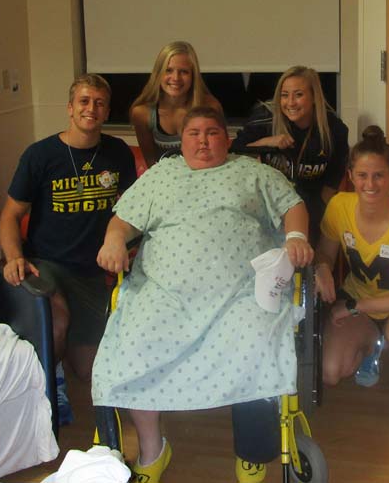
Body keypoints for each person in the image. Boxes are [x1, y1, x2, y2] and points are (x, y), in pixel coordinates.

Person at [93, 106, 312, 483]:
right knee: (134, 341)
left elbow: (293, 205)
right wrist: (114, 240)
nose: (203, 141)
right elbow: (122, 221)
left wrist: (295, 236)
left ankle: (253, 452)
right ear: (181, 142)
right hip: (164, 292)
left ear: (227, 139)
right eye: (194, 133)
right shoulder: (160, 176)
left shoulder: (254, 173)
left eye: (212, 132)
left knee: (257, 340)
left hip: (242, 292)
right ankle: (152, 450)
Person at [0, 74, 137, 408]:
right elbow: (10, 216)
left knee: (87, 371)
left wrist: (125, 245)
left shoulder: (117, 152)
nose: (92, 109)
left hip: (92, 272)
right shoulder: (40, 155)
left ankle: (58, 364)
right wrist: (14, 257)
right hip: (47, 263)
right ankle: (43, 395)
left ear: (107, 112)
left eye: (100, 103)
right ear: (70, 108)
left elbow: (132, 208)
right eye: (84, 101)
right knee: (56, 323)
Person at [314, 126, 389, 440]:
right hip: (361, 303)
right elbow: (325, 253)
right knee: (330, 372)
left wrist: (355, 306)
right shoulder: (339, 206)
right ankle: (373, 345)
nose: (370, 184)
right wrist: (323, 267)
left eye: (379, 175)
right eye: (362, 175)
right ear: (351, 176)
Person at [230, 66, 348, 244]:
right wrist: (267, 142)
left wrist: (321, 211)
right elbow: (235, 150)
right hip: (270, 202)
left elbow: (334, 175)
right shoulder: (265, 118)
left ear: (314, 97)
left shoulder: (333, 128)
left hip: (310, 202)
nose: (290, 102)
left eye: (298, 95)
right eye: (285, 95)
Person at [129, 41, 221, 167]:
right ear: (158, 73)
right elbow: (151, 165)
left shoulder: (210, 107)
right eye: (168, 70)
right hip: (166, 177)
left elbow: (220, 153)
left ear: (193, 75)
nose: (176, 78)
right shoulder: (142, 113)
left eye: (184, 72)